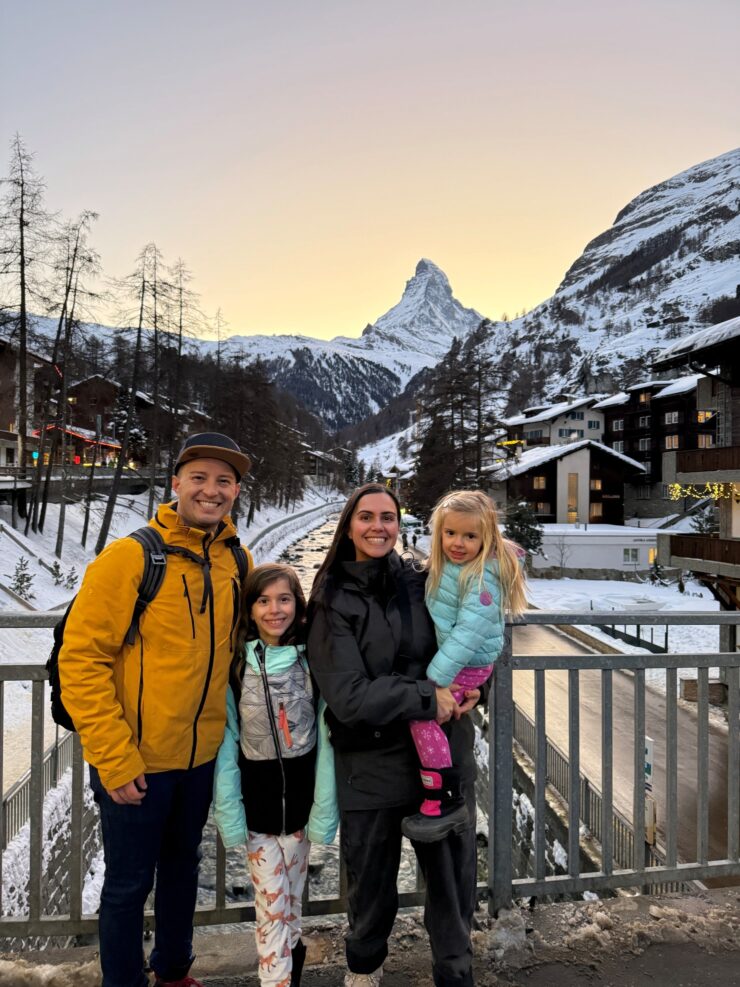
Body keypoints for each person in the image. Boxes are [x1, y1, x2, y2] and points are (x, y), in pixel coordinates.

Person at [59, 432, 253, 987]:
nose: (211, 491)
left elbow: (267, 632)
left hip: (199, 759)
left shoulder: (236, 559)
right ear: (176, 484)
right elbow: (81, 660)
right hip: (135, 760)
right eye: (200, 478)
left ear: (236, 491)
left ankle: (173, 971)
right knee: (126, 885)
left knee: (182, 871)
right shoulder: (130, 557)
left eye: (223, 481)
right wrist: (114, 758)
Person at [306, 483, 482, 987]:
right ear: (349, 525)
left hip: (444, 757)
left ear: (400, 525)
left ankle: (455, 975)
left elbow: (466, 639)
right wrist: (429, 697)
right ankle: (364, 970)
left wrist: (473, 691)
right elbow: (349, 697)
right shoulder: (330, 599)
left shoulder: (422, 582)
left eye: (388, 517)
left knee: (452, 886)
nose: (378, 526)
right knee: (371, 886)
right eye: (367, 517)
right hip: (371, 763)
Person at [212, 563, 337, 987]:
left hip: (300, 811)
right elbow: (228, 747)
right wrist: (230, 816)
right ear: (249, 610)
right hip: (257, 816)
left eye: (284, 599)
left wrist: (324, 810)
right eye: (263, 601)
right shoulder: (235, 669)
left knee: (291, 907)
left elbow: (324, 742)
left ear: (298, 608)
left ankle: (291, 968)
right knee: (271, 913)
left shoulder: (312, 663)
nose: (273, 609)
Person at [401, 490, 527, 843]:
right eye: (450, 533)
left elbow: (467, 634)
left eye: (470, 536)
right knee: (429, 718)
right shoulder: (455, 568)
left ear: (485, 539)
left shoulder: (481, 577)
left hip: (465, 667)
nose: (458, 543)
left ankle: (443, 798)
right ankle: (441, 794)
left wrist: (434, 680)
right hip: (463, 665)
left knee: (423, 717)